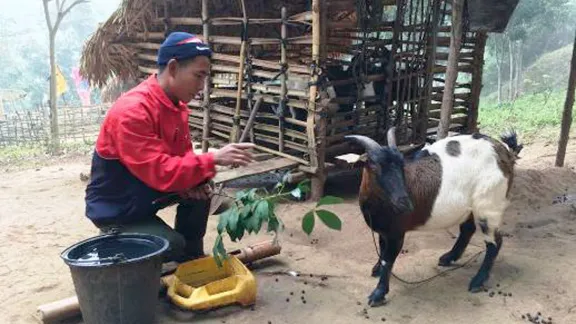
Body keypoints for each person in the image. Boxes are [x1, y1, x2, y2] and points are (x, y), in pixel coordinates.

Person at [84, 31, 255, 262]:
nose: (203, 86)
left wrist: (196, 181)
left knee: (202, 191)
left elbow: (180, 158)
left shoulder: (176, 107)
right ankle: (116, 241)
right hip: (118, 209)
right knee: (171, 245)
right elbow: (161, 171)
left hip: (145, 193)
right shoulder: (132, 112)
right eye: (199, 76)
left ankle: (190, 259)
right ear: (173, 68)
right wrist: (213, 159)